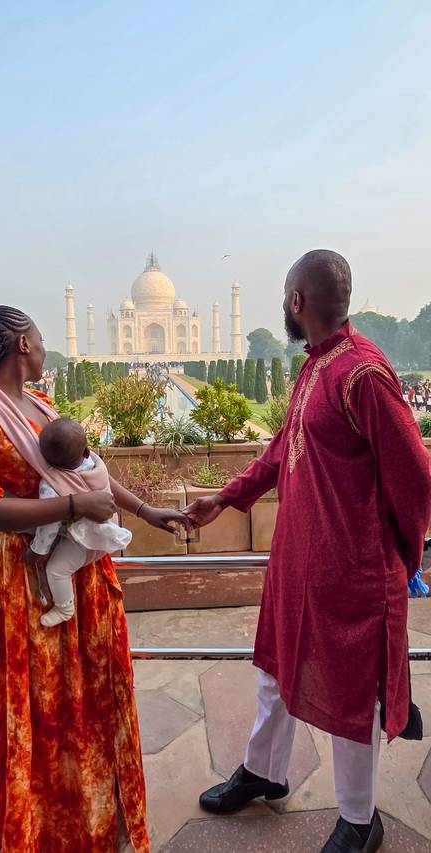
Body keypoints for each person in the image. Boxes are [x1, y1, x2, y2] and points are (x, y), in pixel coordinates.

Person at [185, 251, 431, 853]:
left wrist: (401, 557)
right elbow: (280, 451)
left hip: (350, 570)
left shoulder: (362, 375)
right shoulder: (317, 368)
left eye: (285, 295)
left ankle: (358, 818)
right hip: (299, 560)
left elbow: (417, 477)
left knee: (350, 691)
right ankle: (266, 772)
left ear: (297, 302)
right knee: (275, 667)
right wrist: (226, 497)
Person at [0, 305, 190, 853]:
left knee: (83, 699)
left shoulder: (38, 405)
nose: (44, 345)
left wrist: (146, 511)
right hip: (19, 577)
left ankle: (89, 827)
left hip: (73, 568)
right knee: (36, 706)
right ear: (19, 343)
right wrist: (74, 507)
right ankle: (36, 836)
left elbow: (86, 470)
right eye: (38, 336)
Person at [26, 417, 132, 628]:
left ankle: (64, 607)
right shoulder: (94, 463)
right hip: (106, 535)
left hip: (81, 541)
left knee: (56, 570)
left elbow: (50, 523)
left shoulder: (51, 483)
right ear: (85, 451)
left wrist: (39, 550)